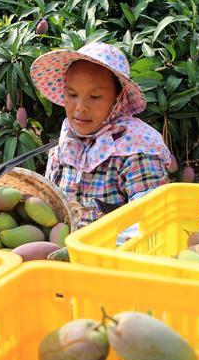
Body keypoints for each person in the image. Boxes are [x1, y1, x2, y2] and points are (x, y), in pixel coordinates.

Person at [30, 42, 172, 231]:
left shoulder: (137, 150)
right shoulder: (65, 146)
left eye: (95, 97)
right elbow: (52, 207)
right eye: (72, 94)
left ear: (117, 98)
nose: (80, 107)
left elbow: (150, 221)